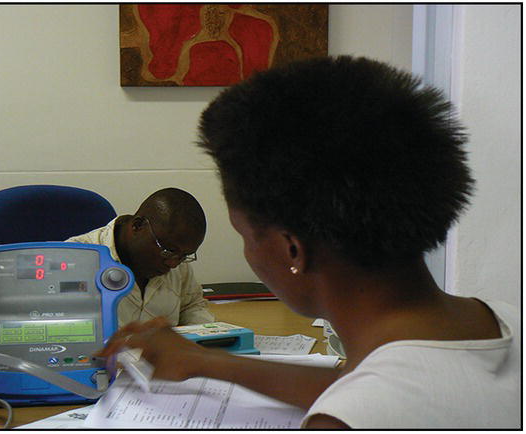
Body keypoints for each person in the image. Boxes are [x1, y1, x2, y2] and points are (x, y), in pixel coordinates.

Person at [96, 56, 520, 428]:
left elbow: (366, 400)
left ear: (291, 250)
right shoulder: (504, 323)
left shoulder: (350, 420)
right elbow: (363, 382)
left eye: (244, 234)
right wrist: (207, 361)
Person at [66, 187, 214, 327]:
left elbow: (192, 306)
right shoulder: (75, 259)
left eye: (184, 256)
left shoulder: (177, 259)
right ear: (137, 226)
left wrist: (203, 339)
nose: (173, 263)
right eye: (168, 251)